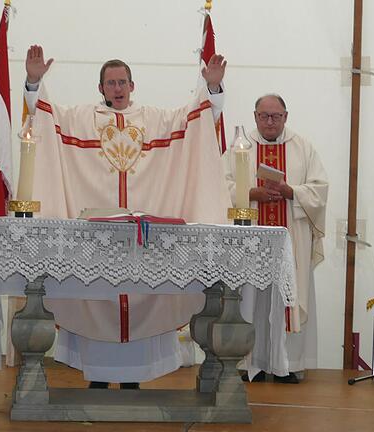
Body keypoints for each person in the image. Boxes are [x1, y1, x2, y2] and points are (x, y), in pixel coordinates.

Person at [22, 46, 232, 389]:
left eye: (122, 82)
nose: (117, 88)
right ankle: (99, 379)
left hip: (141, 243)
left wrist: (210, 88)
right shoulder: (79, 119)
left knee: (139, 298)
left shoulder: (156, 120)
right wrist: (34, 80)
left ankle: (135, 378)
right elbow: (45, 115)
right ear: (101, 88)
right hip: (98, 242)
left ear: (132, 86)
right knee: (98, 299)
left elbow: (196, 118)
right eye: (110, 83)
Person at [223, 94, 328, 384]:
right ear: (255, 116)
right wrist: (250, 194)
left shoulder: (302, 147)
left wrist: (290, 191)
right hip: (249, 240)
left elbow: (320, 189)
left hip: (290, 239)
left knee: (288, 297)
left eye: (276, 116)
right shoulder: (239, 148)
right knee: (250, 298)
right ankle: (250, 363)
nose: (270, 122)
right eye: (264, 116)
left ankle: (289, 365)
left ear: (286, 116)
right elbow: (220, 185)